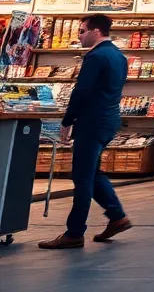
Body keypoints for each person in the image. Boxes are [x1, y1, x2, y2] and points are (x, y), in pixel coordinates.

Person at [39, 16, 132, 249]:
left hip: (91, 122)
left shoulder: (96, 56)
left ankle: (74, 233)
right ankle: (117, 216)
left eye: (81, 31)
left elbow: (82, 92)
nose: (78, 35)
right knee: (94, 172)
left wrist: (68, 120)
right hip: (109, 120)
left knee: (82, 178)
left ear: (96, 31)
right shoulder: (118, 57)